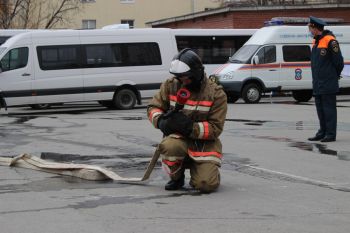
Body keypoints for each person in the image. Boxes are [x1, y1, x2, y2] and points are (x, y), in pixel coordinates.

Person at [147, 48, 227, 193]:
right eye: (179, 77)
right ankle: (177, 178)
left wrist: (190, 127)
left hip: (204, 146)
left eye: (186, 77)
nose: (182, 81)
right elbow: (153, 107)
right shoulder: (170, 85)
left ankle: (208, 172)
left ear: (196, 73)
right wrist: (160, 121)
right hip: (178, 140)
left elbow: (216, 128)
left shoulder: (216, 93)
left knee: (205, 185)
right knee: (170, 146)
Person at [307, 16, 344, 143]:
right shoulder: (315, 41)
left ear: (315, 28)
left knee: (329, 110)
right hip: (318, 83)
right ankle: (322, 132)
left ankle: (330, 134)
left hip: (328, 82)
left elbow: (339, 63)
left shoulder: (330, 41)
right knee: (320, 110)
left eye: (310, 28)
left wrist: (333, 75)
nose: (309, 31)